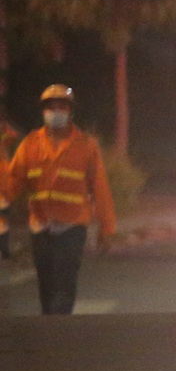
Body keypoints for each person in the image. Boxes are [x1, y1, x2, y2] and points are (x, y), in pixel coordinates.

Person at [2, 84, 117, 315]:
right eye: (51, 107)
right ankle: (51, 330)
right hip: (40, 226)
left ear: (70, 111)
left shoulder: (86, 146)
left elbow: (100, 188)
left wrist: (107, 228)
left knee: (64, 283)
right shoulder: (30, 145)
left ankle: (60, 332)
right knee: (46, 285)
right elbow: (9, 188)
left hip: (73, 226)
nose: (56, 111)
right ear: (43, 111)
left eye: (62, 106)